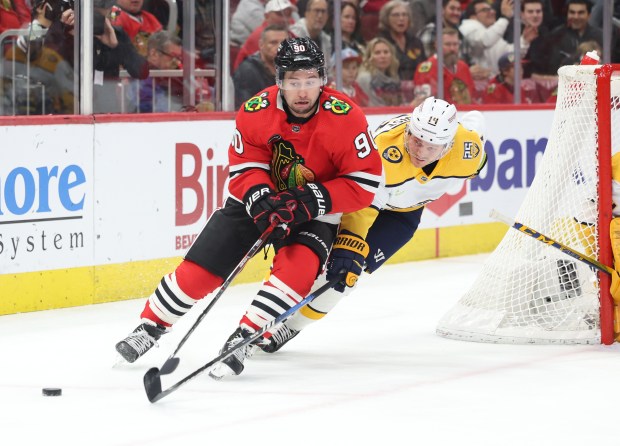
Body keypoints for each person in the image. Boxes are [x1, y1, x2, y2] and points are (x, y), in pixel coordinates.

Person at [114, 37, 383, 379]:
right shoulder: (256, 111)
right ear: (279, 81)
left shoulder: (346, 118)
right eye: (293, 82)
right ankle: (150, 327)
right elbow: (244, 164)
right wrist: (259, 196)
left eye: (311, 81)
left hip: (314, 211)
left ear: (323, 80)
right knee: (200, 270)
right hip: (256, 203)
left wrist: (312, 199)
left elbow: (365, 182)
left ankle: (247, 334)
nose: (302, 91)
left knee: (298, 270)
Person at [259, 96, 488, 353]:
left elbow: (476, 123)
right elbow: (364, 206)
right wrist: (349, 244)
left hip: (402, 215)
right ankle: (265, 314)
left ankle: (291, 327)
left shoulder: (469, 152)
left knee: (345, 278)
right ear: (409, 130)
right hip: (359, 199)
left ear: (447, 146)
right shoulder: (383, 150)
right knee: (309, 253)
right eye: (416, 139)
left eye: (431, 147)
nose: (420, 151)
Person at [43, 0, 149, 113]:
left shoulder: (116, 34)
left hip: (106, 112)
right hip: (69, 109)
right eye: (93, 11)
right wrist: (69, 36)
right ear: (79, 9)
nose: (95, 19)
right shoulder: (63, 29)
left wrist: (117, 46)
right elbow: (46, 67)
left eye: (101, 13)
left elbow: (142, 71)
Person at [459, 0, 536, 77]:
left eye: (491, 9)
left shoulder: (492, 33)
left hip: (491, 83)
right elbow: (484, 41)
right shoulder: (467, 26)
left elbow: (509, 56)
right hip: (472, 82)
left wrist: (524, 41)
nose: (492, 12)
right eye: (485, 10)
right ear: (473, 17)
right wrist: (505, 18)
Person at [413, 27, 475, 105]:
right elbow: (423, 102)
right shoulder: (426, 69)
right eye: (448, 44)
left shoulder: (463, 67)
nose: (452, 49)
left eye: (455, 44)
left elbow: (470, 98)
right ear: (436, 45)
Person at [232, 23, 288, 108]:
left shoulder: (292, 69)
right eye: (273, 43)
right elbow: (247, 108)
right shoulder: (247, 70)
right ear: (261, 44)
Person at [126, 31, 183, 112]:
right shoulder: (142, 78)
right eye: (172, 57)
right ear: (154, 54)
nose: (177, 62)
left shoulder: (167, 77)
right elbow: (146, 107)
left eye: (178, 58)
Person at [233, 0, 295, 71]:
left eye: (288, 15)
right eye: (279, 14)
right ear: (267, 16)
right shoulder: (260, 35)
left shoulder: (288, 33)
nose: (285, 19)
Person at [376, 0, 426, 80]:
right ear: (386, 18)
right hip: (390, 87)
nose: (401, 18)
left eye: (405, 15)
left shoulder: (416, 42)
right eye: (396, 15)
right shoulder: (380, 43)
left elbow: (424, 67)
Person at [356, 36, 402, 106]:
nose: (383, 56)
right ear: (369, 57)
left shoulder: (394, 78)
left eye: (386, 52)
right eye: (377, 53)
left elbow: (400, 103)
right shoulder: (365, 78)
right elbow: (374, 107)